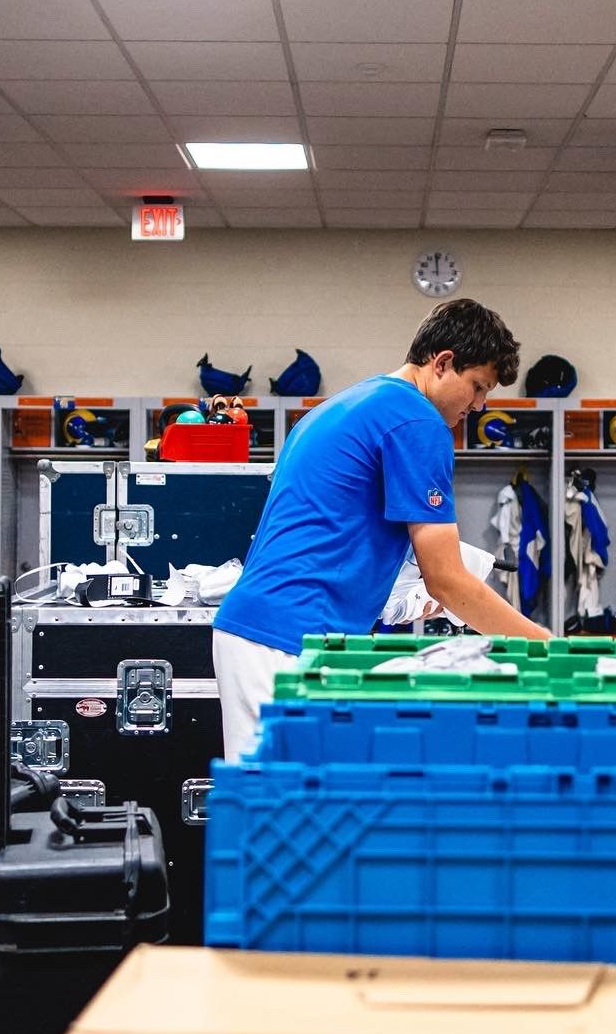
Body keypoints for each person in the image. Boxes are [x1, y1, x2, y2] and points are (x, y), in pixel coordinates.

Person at [213, 298, 551, 758]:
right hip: (287, 640)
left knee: (284, 808)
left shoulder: (349, 404)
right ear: (443, 362)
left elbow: (330, 533)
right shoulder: (418, 422)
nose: (479, 404)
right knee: (284, 811)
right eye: (477, 387)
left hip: (267, 629)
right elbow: (447, 579)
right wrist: (547, 646)